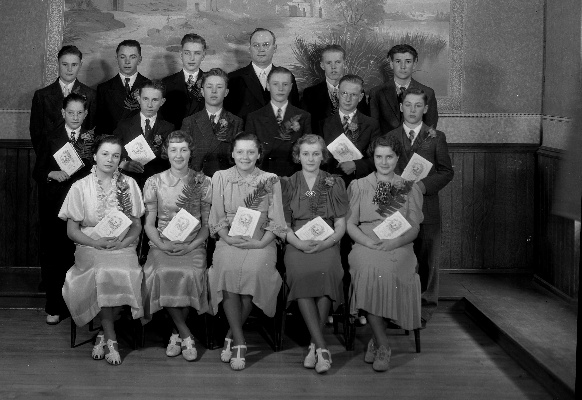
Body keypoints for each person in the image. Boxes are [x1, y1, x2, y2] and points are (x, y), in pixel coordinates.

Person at [59, 135, 145, 365]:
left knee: (124, 272)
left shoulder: (129, 184)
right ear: (95, 156)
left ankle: (103, 334)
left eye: (115, 155)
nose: (110, 159)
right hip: (90, 245)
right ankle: (112, 338)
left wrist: (124, 243)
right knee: (104, 272)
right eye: (105, 154)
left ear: (120, 159)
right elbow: (72, 231)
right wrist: (95, 243)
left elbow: (137, 226)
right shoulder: (80, 186)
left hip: (121, 244)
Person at [206, 132, 287, 371]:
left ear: (259, 154)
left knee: (254, 271)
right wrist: (227, 237)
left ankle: (232, 335)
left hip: (261, 239)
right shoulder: (220, 177)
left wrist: (261, 243)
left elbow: (277, 219)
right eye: (240, 151)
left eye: (251, 152)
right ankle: (240, 342)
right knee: (228, 270)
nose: (245, 156)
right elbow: (216, 215)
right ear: (232, 153)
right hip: (229, 238)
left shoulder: (270, 179)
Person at [346, 135, 424, 372]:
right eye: (379, 157)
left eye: (389, 157)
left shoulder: (409, 186)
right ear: (373, 158)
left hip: (399, 244)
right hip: (366, 242)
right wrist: (367, 243)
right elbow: (350, 224)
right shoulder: (359, 185)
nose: (384, 162)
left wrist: (395, 242)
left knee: (391, 272)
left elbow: (414, 227)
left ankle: (376, 339)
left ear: (398, 158)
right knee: (369, 272)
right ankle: (383, 345)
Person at [281, 134, 349, 374]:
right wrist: (298, 244)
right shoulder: (287, 184)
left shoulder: (335, 183)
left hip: (327, 242)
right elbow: (284, 226)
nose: (310, 158)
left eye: (316, 153)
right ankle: (322, 347)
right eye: (306, 154)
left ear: (323, 156)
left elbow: (340, 226)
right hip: (297, 242)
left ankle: (315, 346)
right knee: (300, 274)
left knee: (327, 271)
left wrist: (325, 243)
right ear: (298, 156)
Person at [386, 87, 453, 326]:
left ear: (425, 109)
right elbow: (382, 170)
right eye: (408, 105)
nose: (412, 110)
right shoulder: (389, 137)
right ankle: (396, 307)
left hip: (427, 208)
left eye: (418, 106)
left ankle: (423, 309)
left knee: (427, 259)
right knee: (398, 258)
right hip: (397, 208)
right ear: (401, 107)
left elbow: (446, 171)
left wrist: (422, 187)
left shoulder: (436, 137)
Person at [142, 131, 211, 362]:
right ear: (167, 153)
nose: (178, 155)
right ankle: (185, 333)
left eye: (183, 149)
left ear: (191, 152)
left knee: (191, 273)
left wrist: (191, 247)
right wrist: (162, 245)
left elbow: (206, 225)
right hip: (163, 243)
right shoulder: (154, 182)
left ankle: (176, 333)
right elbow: (149, 224)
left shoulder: (203, 182)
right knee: (162, 272)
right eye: (173, 150)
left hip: (193, 244)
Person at [31, 93, 95, 325]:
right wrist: (52, 173)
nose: (75, 117)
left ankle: (81, 308)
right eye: (70, 113)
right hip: (55, 204)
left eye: (79, 113)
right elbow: (37, 171)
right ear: (62, 113)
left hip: (84, 205)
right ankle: (54, 307)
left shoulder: (93, 139)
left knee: (78, 255)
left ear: (85, 114)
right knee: (54, 255)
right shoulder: (50, 136)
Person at [30, 45, 96, 156]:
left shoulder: (91, 95)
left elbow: (91, 130)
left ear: (80, 65)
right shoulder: (42, 95)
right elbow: (36, 133)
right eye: (65, 64)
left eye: (74, 65)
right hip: (50, 157)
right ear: (58, 64)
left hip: (81, 157)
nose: (69, 69)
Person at [245, 66, 311, 177]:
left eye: (285, 84)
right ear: (268, 86)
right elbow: (249, 153)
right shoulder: (254, 118)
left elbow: (308, 153)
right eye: (275, 84)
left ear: (291, 87)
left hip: (293, 177)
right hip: (262, 177)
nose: (280, 89)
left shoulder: (304, 117)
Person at [224, 28, 300, 122]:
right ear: (250, 49)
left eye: (266, 45)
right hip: (246, 131)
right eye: (256, 45)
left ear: (275, 48)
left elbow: (295, 113)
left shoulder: (287, 77)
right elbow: (228, 117)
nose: (261, 49)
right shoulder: (233, 79)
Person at [181, 68, 243, 177]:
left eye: (219, 87)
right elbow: (181, 157)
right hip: (196, 181)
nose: (214, 91)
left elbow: (240, 158)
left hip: (225, 181)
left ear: (226, 92)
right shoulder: (189, 122)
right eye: (209, 87)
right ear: (202, 92)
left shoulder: (236, 122)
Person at [113, 80, 175, 188]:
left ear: (162, 101)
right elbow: (112, 152)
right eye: (145, 99)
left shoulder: (169, 128)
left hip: (158, 185)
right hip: (128, 185)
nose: (149, 105)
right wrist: (124, 164)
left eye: (155, 100)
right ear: (138, 99)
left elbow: (171, 161)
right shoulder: (124, 125)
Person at [322, 74, 380, 187]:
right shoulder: (323, 124)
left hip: (361, 185)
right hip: (330, 185)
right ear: (337, 93)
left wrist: (356, 165)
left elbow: (378, 157)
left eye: (353, 95)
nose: (348, 99)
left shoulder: (372, 125)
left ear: (361, 97)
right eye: (344, 93)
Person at [301, 44, 368, 135]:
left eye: (337, 62)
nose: (333, 67)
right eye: (328, 63)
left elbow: (365, 121)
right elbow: (306, 127)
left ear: (344, 63)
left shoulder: (357, 90)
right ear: (322, 65)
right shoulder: (310, 94)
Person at [370, 44, 438, 134]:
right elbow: (374, 130)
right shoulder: (376, 93)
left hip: (416, 142)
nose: (403, 66)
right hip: (385, 142)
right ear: (391, 64)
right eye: (398, 61)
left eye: (408, 61)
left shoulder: (428, 93)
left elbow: (430, 129)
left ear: (414, 64)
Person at [96, 40, 149, 136]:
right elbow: (100, 126)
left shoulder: (150, 86)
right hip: (113, 142)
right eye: (122, 57)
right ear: (116, 58)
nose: (127, 62)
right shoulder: (103, 89)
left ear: (140, 59)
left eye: (132, 57)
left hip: (141, 142)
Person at [160, 34, 207, 129]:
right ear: (181, 54)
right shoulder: (166, 83)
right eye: (187, 53)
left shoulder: (211, 82)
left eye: (197, 53)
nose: (192, 58)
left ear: (203, 56)